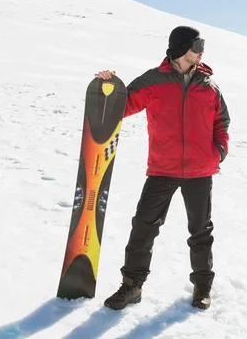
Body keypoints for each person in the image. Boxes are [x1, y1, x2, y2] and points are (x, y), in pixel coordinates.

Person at [95, 26, 230, 310]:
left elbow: (222, 122)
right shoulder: (153, 80)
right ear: (181, 48)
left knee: (201, 231)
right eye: (196, 46)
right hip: (162, 169)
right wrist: (108, 86)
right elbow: (122, 105)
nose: (200, 51)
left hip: (200, 171)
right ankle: (132, 286)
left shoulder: (209, 85)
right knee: (143, 228)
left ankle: (202, 287)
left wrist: (218, 152)